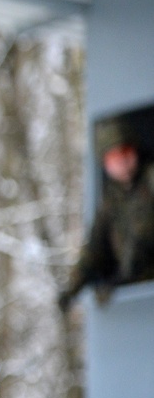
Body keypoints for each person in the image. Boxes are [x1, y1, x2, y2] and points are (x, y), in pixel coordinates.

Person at [59, 114, 154, 308]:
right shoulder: (111, 200)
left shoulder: (150, 180)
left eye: (125, 152)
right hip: (136, 296)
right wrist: (72, 289)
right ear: (105, 163)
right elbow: (94, 248)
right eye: (114, 157)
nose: (122, 161)